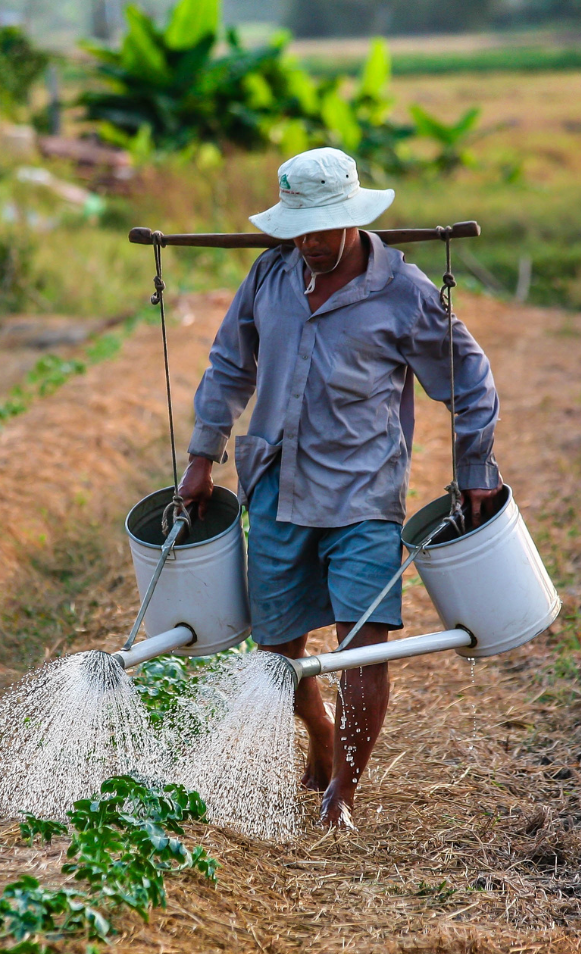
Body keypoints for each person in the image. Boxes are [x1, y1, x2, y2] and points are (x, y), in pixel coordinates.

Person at [178, 147, 502, 828]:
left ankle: (341, 797)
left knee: (365, 646)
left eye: (323, 230)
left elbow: (470, 381)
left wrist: (474, 470)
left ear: (354, 219)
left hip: (364, 493)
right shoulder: (269, 276)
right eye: (299, 229)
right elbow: (228, 366)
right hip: (275, 486)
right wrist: (202, 456)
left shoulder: (404, 293)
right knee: (277, 654)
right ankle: (320, 734)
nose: (311, 243)